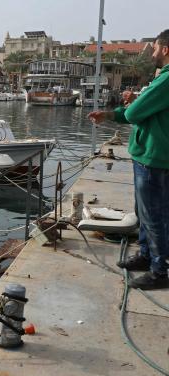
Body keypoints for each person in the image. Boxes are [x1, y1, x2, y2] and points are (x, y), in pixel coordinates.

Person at [88, 29, 169, 290]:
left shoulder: (166, 80)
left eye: (156, 48)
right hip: (152, 157)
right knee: (145, 213)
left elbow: (134, 114)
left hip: (155, 159)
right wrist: (111, 115)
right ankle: (146, 256)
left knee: (154, 216)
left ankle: (160, 270)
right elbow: (141, 110)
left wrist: (133, 105)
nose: (154, 53)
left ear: (166, 49)